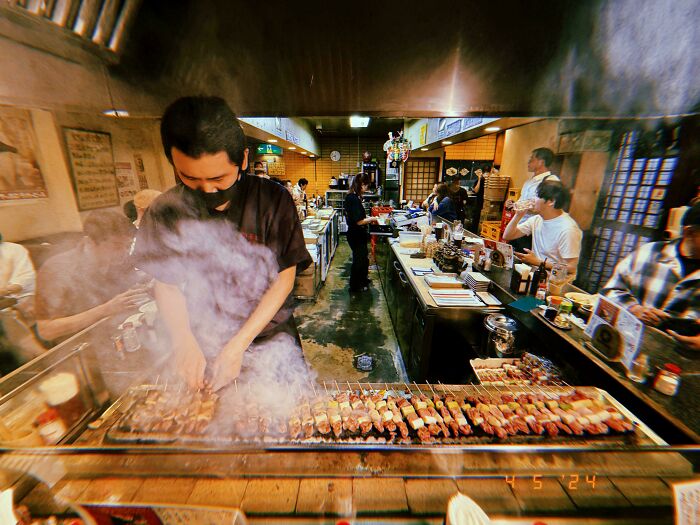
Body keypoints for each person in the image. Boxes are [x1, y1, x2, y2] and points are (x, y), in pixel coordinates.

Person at [134, 96, 312, 391]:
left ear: (242, 159)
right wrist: (183, 340)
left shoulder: (272, 200)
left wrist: (238, 346)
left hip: (269, 338)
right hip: (204, 340)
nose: (207, 189)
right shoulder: (165, 211)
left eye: (218, 178)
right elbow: (166, 284)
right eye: (189, 178)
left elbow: (284, 278)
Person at [34, 210, 149, 344]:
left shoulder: (121, 261)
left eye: (128, 246)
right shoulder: (58, 269)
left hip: (119, 339)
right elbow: (46, 331)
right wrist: (106, 309)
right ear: (90, 242)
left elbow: (131, 288)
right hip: (80, 349)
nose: (124, 253)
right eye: (116, 246)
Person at [601, 202, 700, 350]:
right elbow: (610, 291)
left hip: (679, 362)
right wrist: (634, 309)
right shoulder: (649, 253)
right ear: (689, 233)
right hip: (626, 345)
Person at [502, 181, 582, 278]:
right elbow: (507, 235)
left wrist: (539, 262)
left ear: (551, 201)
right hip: (537, 273)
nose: (532, 200)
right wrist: (518, 216)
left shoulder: (568, 229)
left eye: (536, 196)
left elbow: (571, 267)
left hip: (555, 281)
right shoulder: (537, 219)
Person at [509, 148, 560, 251]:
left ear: (541, 162)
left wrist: (525, 206)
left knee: (526, 263)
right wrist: (513, 204)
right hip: (519, 227)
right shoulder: (529, 181)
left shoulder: (551, 181)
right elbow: (523, 201)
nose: (528, 162)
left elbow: (550, 207)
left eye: (532, 159)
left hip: (532, 231)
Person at [344, 173, 379, 293]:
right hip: (356, 235)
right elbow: (359, 221)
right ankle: (355, 286)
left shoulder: (354, 197)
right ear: (361, 185)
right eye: (366, 186)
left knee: (363, 259)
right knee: (358, 261)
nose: (366, 189)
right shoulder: (353, 198)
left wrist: (368, 217)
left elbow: (359, 216)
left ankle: (363, 280)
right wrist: (373, 219)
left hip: (358, 234)